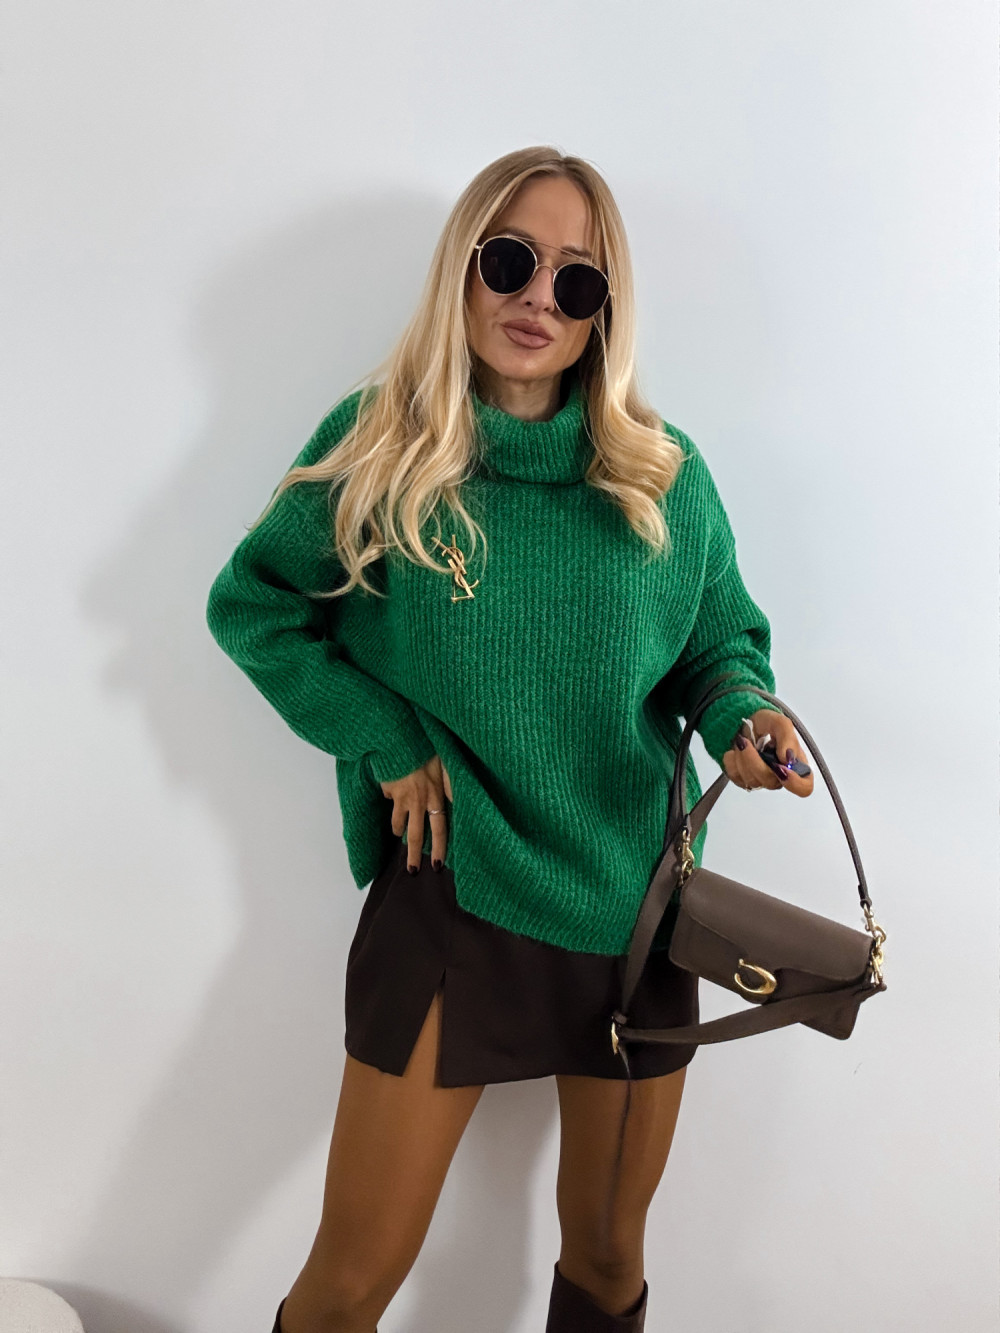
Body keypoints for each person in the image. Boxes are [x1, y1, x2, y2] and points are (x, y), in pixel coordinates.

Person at [206, 145, 813, 1333]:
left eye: (576, 280)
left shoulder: (662, 474)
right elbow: (254, 605)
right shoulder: (381, 446)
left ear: (602, 311)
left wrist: (747, 720)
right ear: (464, 268)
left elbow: (718, 648)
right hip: (453, 887)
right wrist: (380, 734)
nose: (539, 297)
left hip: (634, 908)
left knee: (607, 1256)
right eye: (511, 261)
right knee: (349, 1280)